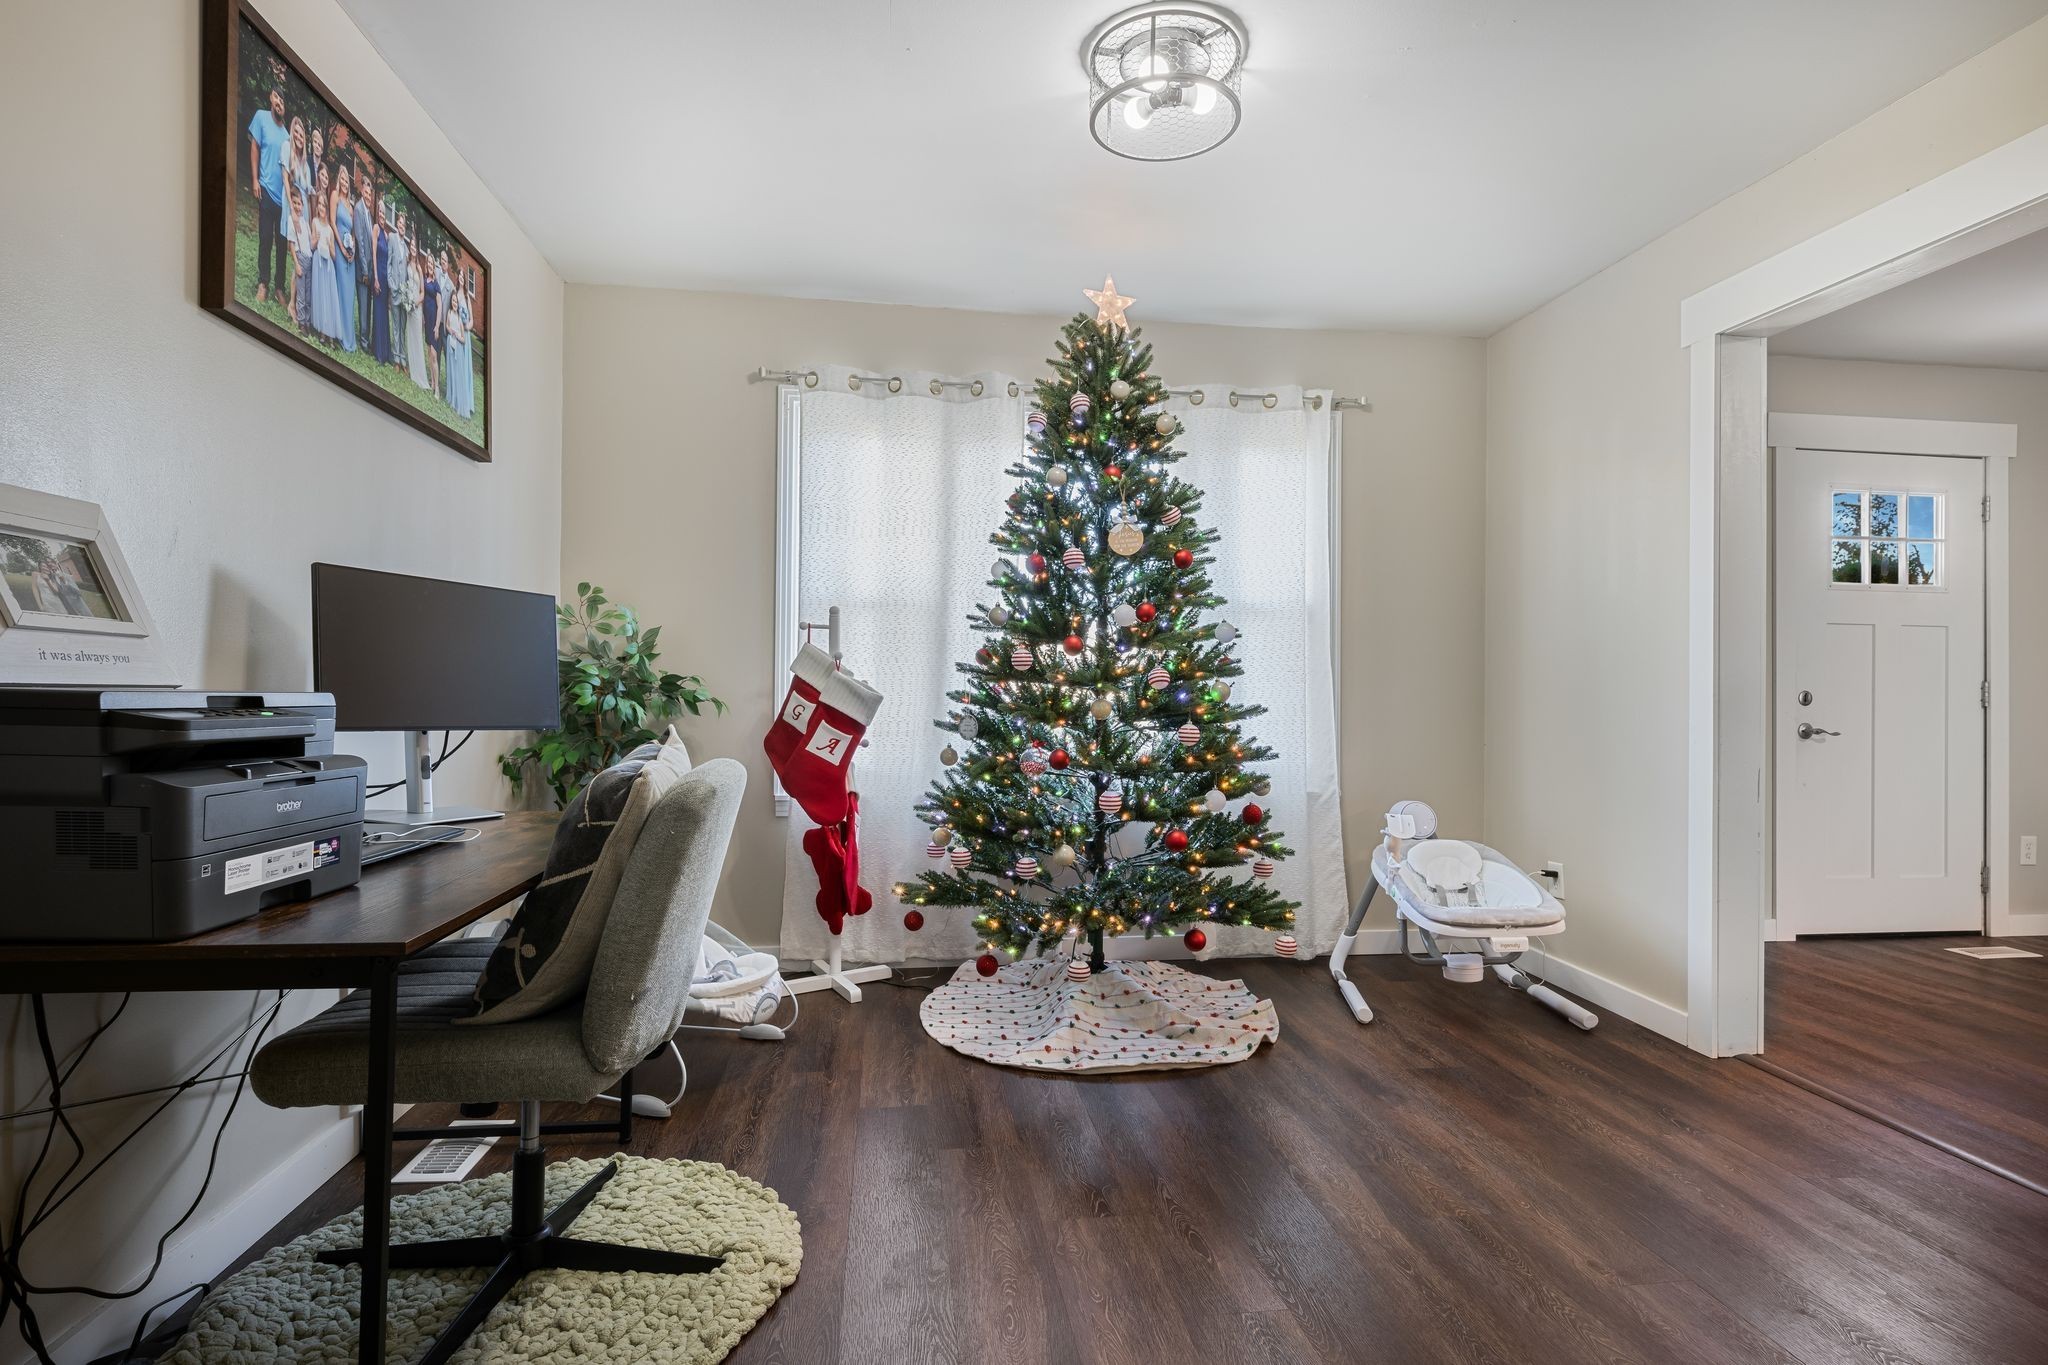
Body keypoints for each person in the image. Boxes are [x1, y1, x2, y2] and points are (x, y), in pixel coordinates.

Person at [245, 85, 290, 305]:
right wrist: (254, 180)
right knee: (265, 239)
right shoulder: (261, 118)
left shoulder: (288, 136)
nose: (280, 102)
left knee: (282, 246)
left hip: (284, 200)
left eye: (283, 100)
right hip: (266, 190)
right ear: (271, 98)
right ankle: (263, 283)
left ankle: (279, 288)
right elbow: (255, 148)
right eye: (277, 98)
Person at [308, 176, 344, 345]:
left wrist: (330, 247)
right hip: (317, 262)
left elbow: (334, 255)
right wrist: (316, 240)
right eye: (320, 204)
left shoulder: (330, 229)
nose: (322, 207)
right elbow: (312, 245)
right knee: (320, 295)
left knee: (328, 298)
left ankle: (329, 333)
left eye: (324, 205)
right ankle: (322, 331)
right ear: (318, 207)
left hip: (328, 264)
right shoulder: (314, 222)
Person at [330, 165, 357, 351]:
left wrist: (352, 249)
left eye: (347, 180)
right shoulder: (334, 197)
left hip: (350, 256)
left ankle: (348, 338)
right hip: (339, 250)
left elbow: (353, 232)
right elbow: (332, 222)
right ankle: (338, 334)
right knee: (339, 291)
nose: (345, 183)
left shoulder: (351, 206)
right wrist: (340, 246)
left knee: (349, 295)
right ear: (338, 180)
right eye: (342, 179)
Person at [353, 166, 376, 350]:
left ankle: (365, 338)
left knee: (367, 305)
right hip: (363, 270)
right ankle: (363, 340)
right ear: (362, 191)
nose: (369, 197)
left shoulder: (369, 214)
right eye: (367, 193)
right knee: (362, 305)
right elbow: (360, 241)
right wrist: (366, 271)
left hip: (369, 269)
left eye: (371, 195)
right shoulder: (359, 210)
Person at [370, 195, 393, 365]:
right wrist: (376, 278)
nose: (382, 217)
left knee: (384, 314)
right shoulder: (376, 229)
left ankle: (385, 352)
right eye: (380, 213)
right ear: (377, 214)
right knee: (378, 312)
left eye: (384, 214)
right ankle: (377, 352)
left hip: (386, 279)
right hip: (378, 276)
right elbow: (373, 254)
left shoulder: (387, 234)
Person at [404, 244, 429, 389]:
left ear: (417, 250)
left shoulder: (419, 268)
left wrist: (415, 302)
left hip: (417, 307)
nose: (413, 248)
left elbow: (423, 293)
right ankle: (411, 369)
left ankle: (419, 374)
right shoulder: (407, 264)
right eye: (412, 245)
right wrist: (408, 300)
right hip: (409, 307)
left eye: (415, 246)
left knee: (418, 339)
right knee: (410, 336)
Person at [389, 211, 409, 371]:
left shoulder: (407, 248)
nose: (402, 227)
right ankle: (396, 359)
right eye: (400, 224)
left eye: (404, 225)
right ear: (397, 225)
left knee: (402, 328)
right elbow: (389, 263)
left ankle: (403, 360)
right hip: (394, 290)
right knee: (396, 326)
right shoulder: (392, 239)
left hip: (404, 295)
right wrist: (391, 284)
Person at [420, 249, 442, 394]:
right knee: (429, 353)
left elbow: (440, 306)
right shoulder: (424, 279)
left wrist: (436, 326)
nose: (429, 264)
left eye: (431, 263)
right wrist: (422, 316)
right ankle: (432, 383)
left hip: (434, 321)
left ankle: (437, 388)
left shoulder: (435, 284)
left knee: (434, 354)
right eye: (427, 262)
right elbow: (422, 299)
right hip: (426, 320)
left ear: (433, 266)